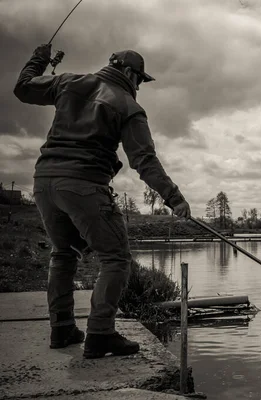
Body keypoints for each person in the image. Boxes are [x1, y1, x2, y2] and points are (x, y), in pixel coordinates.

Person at [14, 44, 191, 358]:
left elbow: (24, 88)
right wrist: (174, 198)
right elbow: (144, 160)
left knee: (63, 254)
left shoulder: (68, 82)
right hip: (84, 184)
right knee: (115, 259)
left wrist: (39, 59)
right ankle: (100, 334)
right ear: (127, 72)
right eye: (139, 80)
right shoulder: (127, 106)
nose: (139, 87)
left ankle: (63, 329)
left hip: (44, 182)